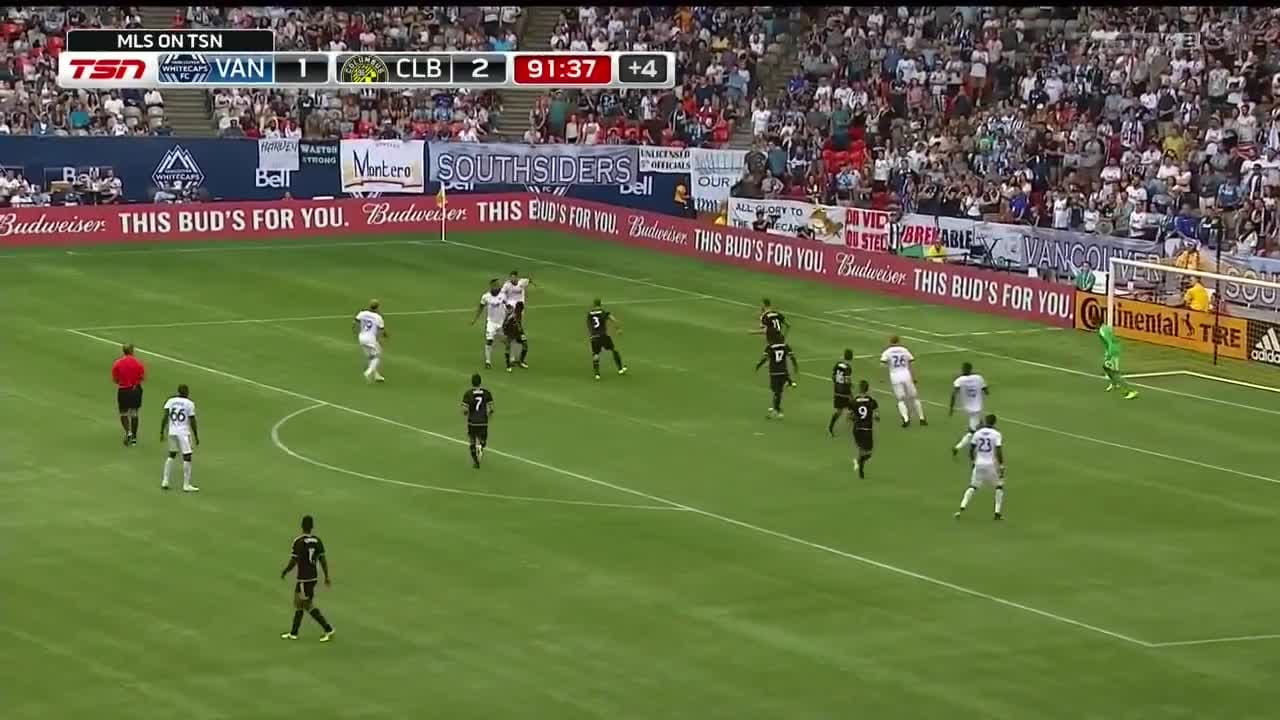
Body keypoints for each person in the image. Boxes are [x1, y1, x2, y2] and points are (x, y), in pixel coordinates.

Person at [279, 514, 335, 642]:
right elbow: (323, 560)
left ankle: (328, 629)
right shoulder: (317, 541)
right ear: (312, 527)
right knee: (298, 602)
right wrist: (326, 576)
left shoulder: (298, 541)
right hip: (312, 577)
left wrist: (285, 571)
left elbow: (294, 560)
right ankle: (294, 633)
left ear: (302, 526)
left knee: (307, 605)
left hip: (304, 578)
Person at [955, 414, 1005, 520]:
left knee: (973, 486)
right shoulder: (996, 434)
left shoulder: (977, 433)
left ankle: (961, 507)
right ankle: (997, 513)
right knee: (999, 486)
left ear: (985, 421)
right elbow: (998, 451)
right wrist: (1001, 465)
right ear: (994, 422)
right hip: (991, 465)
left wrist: (973, 461)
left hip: (979, 463)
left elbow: (971, 449)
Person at [159, 384, 199, 492]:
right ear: (187, 392)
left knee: (171, 454)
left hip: (172, 431)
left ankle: (165, 481)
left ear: (178, 391)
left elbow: (165, 416)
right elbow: (192, 420)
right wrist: (196, 435)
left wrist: (162, 431)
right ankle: (186, 485)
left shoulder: (170, 401)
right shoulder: (189, 403)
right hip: (183, 433)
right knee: (187, 456)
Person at [879, 336, 926, 426]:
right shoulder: (904, 350)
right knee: (914, 397)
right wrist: (914, 377)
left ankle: (906, 419)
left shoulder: (887, 352)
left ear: (890, 342)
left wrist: (882, 378)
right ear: (899, 341)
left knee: (900, 399)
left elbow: (882, 365)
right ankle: (922, 418)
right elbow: (911, 363)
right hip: (906, 375)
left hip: (895, 376)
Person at [949, 362, 989, 457]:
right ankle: (958, 448)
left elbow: (954, 394)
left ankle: (972, 448)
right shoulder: (978, 378)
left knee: (980, 427)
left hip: (968, 408)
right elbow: (986, 391)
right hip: (977, 408)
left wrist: (951, 408)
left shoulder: (959, 380)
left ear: (963, 369)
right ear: (971, 369)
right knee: (973, 432)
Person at [111, 343, 146, 446]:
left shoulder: (118, 363)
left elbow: (115, 379)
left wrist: (123, 382)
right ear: (132, 351)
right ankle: (134, 437)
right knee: (134, 413)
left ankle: (128, 432)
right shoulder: (138, 363)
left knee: (123, 413)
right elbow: (142, 377)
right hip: (135, 390)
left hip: (123, 390)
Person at [470, 279, 508, 369]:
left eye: (498, 285)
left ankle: (512, 358)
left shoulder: (503, 295)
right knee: (489, 340)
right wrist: (475, 319)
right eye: (495, 285)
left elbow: (508, 306)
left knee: (506, 341)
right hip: (491, 322)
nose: (497, 287)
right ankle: (488, 362)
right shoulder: (486, 297)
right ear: (491, 286)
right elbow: (480, 307)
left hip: (502, 322)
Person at [755, 339, 798, 419]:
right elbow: (792, 357)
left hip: (774, 372)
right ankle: (777, 408)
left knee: (776, 392)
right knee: (778, 392)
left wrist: (758, 365)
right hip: (783, 372)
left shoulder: (770, 347)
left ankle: (776, 410)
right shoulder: (785, 346)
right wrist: (795, 366)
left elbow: (765, 358)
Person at [586, 299, 627, 380]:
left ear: (594, 304)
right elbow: (613, 320)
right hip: (603, 335)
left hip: (594, 336)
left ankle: (597, 374)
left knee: (596, 354)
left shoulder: (589, 314)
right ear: (600, 304)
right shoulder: (603, 312)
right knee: (614, 350)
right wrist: (618, 329)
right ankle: (620, 369)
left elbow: (589, 324)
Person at [461, 373, 494, 469]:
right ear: (480, 382)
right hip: (483, 421)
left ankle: (476, 462)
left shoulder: (468, 394)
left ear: (472, 382)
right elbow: (491, 408)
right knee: (483, 440)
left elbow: (465, 410)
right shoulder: (487, 393)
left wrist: (466, 413)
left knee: (472, 441)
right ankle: (481, 446)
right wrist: (489, 414)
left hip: (472, 422)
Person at [1100, 323, 1139, 400]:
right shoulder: (1106, 327)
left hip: (1112, 353)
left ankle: (1131, 391)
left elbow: (1110, 342)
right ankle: (1114, 383)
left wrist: (1109, 354)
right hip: (1114, 350)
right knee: (1106, 368)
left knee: (1115, 373)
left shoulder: (1102, 331)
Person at [849, 380, 879, 478]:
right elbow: (877, 416)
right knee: (868, 453)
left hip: (857, 429)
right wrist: (875, 417)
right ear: (867, 389)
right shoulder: (872, 401)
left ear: (859, 389)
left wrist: (854, 418)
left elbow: (850, 416)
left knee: (861, 449)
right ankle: (859, 465)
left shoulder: (854, 401)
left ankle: (858, 464)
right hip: (867, 429)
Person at [353, 300, 387, 383]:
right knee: (377, 356)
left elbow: (355, 323)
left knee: (371, 357)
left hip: (361, 337)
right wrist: (385, 336)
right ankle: (368, 372)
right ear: (377, 307)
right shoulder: (378, 317)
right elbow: (381, 330)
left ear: (369, 305)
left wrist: (356, 331)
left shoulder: (362, 313)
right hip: (370, 338)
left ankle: (376, 376)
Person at [828, 349, 855, 435]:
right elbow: (847, 381)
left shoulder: (837, 364)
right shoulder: (848, 368)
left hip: (837, 390)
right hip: (845, 391)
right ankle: (852, 421)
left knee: (839, 411)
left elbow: (833, 377)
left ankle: (830, 428)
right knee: (854, 405)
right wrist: (850, 388)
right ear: (851, 357)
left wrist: (837, 384)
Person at [502, 301, 529, 371]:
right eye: (520, 309)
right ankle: (508, 365)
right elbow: (505, 324)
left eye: (522, 309)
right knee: (507, 347)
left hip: (518, 332)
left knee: (525, 344)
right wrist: (505, 334)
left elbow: (518, 323)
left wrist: (520, 330)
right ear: (517, 308)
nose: (521, 310)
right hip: (510, 332)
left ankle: (521, 361)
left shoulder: (519, 314)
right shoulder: (511, 316)